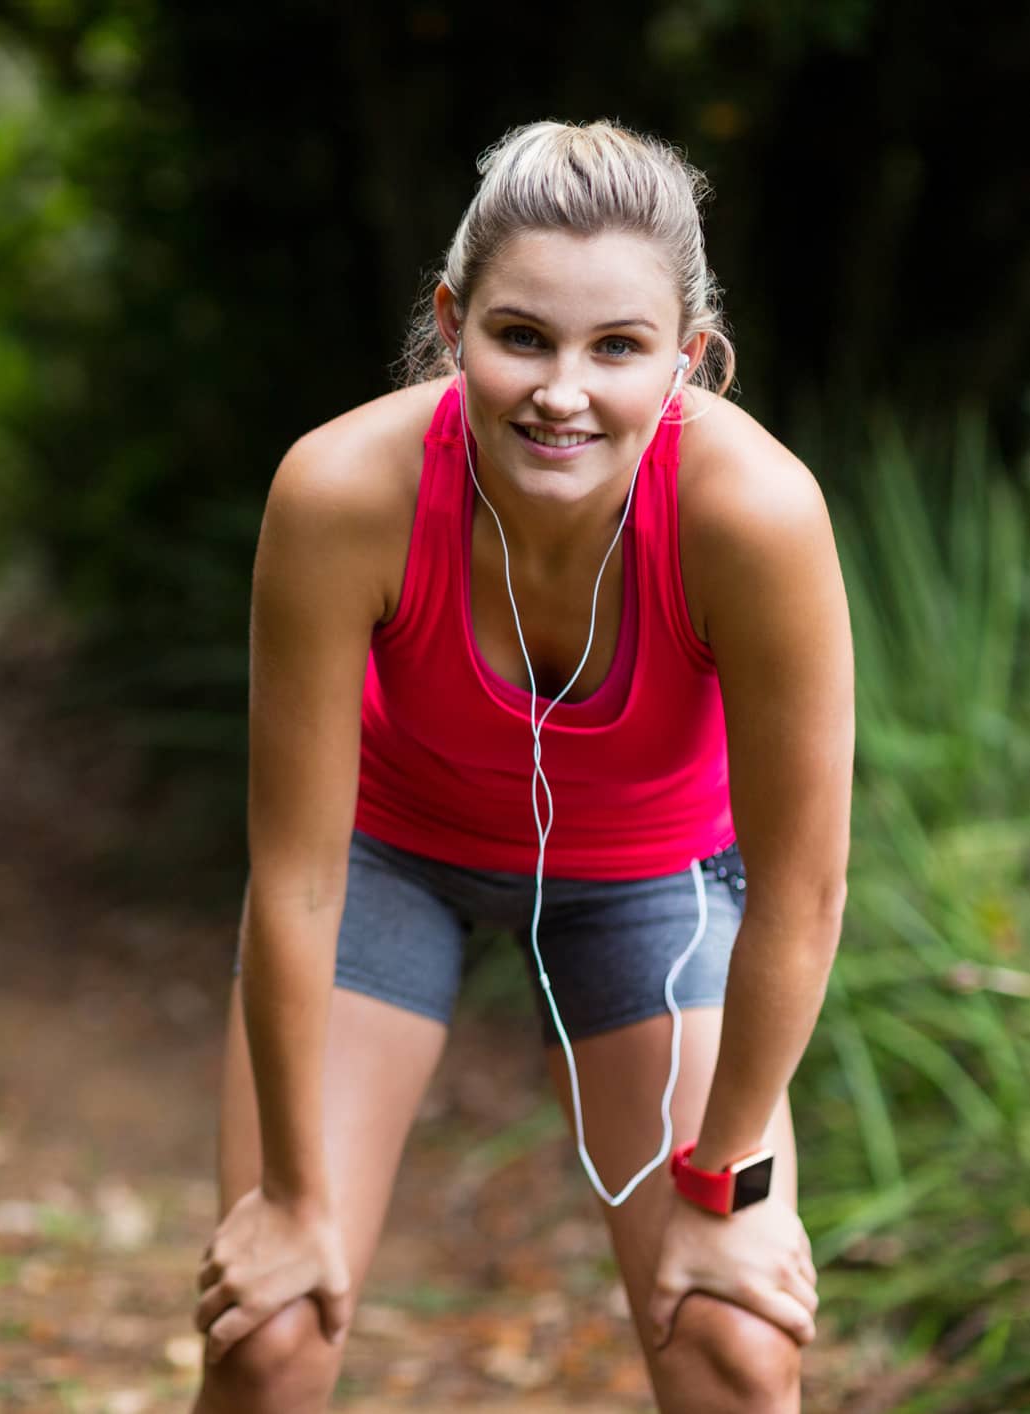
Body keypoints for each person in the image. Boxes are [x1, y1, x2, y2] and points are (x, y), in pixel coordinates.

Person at [190, 119, 854, 1413]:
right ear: (450, 324)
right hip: (386, 858)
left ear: (690, 359)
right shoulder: (341, 489)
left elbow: (800, 897)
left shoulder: (753, 515)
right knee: (270, 1334)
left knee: (733, 1336)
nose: (562, 392)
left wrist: (722, 1187)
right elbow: (296, 879)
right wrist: (288, 1201)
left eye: (616, 347)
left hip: (646, 881)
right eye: (520, 337)